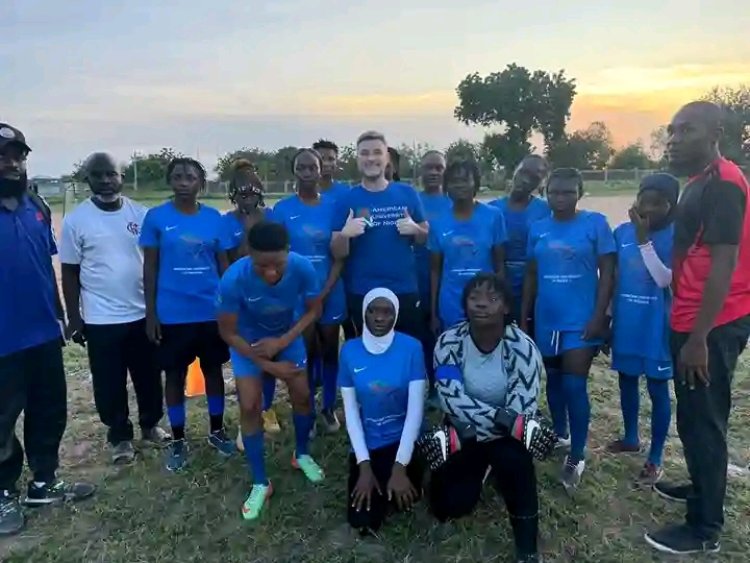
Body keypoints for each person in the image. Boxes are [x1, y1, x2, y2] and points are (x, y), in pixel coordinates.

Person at [645, 101, 750, 555]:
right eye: (671, 130)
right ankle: (700, 486)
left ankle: (704, 527)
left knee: (704, 423)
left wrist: (700, 338)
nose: (673, 139)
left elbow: (725, 262)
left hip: (712, 324)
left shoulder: (724, 184)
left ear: (715, 135)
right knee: (694, 418)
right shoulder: (699, 181)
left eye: (686, 130)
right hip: (691, 318)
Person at [0, 123, 94, 537]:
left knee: (49, 409)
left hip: (41, 333)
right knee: (1, 420)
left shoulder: (35, 204)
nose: (11, 161)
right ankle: (3, 494)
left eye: (17, 154)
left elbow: (44, 267)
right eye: (2, 154)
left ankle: (43, 482)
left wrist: (59, 317)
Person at [429, 273, 555, 563]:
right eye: (474, 298)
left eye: (492, 298)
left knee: (516, 462)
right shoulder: (448, 342)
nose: (481, 304)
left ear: (506, 307)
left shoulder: (524, 349)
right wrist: (509, 423)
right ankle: (484, 467)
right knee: (447, 507)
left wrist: (511, 425)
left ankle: (527, 549)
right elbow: (450, 399)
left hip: (491, 435)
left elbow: (520, 409)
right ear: (464, 304)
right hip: (466, 429)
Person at [59, 153, 168, 465]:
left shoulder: (141, 214)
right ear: (88, 180)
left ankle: (150, 425)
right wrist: (75, 317)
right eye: (98, 175)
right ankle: (120, 436)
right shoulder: (76, 221)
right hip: (101, 317)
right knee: (109, 381)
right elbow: (69, 272)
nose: (105, 181)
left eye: (112, 174)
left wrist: (155, 309)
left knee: (148, 375)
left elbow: (154, 262)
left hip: (141, 314)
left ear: (122, 176)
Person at [217, 221, 324, 521]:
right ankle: (261, 482)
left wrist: (283, 342)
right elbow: (228, 333)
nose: (271, 272)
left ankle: (301, 454)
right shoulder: (233, 279)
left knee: (303, 395)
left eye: (277, 264)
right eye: (261, 265)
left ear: (289, 253)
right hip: (247, 344)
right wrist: (268, 365)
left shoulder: (302, 268)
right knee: (250, 407)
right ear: (248, 254)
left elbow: (314, 310)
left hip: (286, 337)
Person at [521, 168, 615, 494]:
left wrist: (600, 316)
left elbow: (609, 272)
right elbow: (532, 275)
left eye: (568, 192)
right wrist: (524, 317)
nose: (560, 198)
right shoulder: (538, 228)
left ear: (580, 193)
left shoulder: (595, 224)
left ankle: (577, 454)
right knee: (554, 380)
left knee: (575, 386)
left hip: (581, 321)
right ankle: (559, 433)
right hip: (547, 319)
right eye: (554, 192)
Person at [139, 157, 234, 472]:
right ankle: (178, 439)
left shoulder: (214, 219)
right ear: (170, 181)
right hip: (172, 313)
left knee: (213, 373)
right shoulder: (156, 218)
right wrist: (151, 313)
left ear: (200, 184)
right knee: (175, 377)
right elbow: (150, 267)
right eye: (177, 176)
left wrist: (229, 306)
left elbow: (223, 265)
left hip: (210, 311)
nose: (183, 182)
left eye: (190, 177)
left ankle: (217, 431)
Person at [607, 173, 679, 485]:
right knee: (626, 379)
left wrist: (643, 238)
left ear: (671, 205)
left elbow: (665, 279)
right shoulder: (620, 231)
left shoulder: (677, 234)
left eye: (657, 203)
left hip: (656, 325)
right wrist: (609, 317)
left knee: (657, 388)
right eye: (642, 200)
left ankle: (656, 456)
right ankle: (631, 437)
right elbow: (614, 277)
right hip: (627, 321)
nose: (647, 208)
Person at [271, 149, 347, 434]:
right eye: (300, 167)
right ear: (295, 172)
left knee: (329, 351)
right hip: (298, 295)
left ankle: (328, 408)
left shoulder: (335, 207)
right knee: (305, 352)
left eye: (311, 167)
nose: (306, 172)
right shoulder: (282, 210)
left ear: (321, 170)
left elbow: (341, 255)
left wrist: (324, 291)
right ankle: (306, 410)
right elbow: (277, 257)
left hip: (330, 290)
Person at [339, 288, 426, 535]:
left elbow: (415, 412)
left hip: (402, 441)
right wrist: (364, 467)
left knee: (405, 500)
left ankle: (407, 473)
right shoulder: (349, 351)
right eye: (372, 311)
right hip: (369, 443)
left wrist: (399, 467)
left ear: (396, 315)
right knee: (361, 520)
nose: (379, 318)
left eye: (387, 312)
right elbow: (352, 414)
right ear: (363, 314)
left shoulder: (411, 348)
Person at [332, 131, 428, 339]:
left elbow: (426, 237)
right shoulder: (347, 198)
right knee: (367, 354)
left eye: (377, 152)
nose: (371, 158)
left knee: (405, 352)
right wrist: (345, 235)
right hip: (361, 292)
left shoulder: (407, 193)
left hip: (404, 290)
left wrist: (416, 230)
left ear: (386, 158)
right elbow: (336, 252)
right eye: (364, 153)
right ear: (357, 159)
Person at [218, 159, 279, 444]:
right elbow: (227, 264)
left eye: (252, 190)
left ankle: (267, 407)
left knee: (268, 355)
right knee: (246, 357)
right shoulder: (226, 222)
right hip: (241, 302)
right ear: (232, 193)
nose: (247, 196)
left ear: (260, 190)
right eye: (240, 192)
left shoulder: (271, 216)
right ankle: (249, 415)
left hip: (270, 297)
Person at [429, 159, 506, 332]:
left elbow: (499, 265)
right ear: (446, 186)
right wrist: (434, 312)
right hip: (450, 302)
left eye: (465, 180)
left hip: (485, 301)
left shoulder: (493, 216)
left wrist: (500, 302)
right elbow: (435, 271)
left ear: (475, 183)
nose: (460, 185)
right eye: (454, 181)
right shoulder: (438, 222)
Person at [489, 155, 550, 329]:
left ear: (541, 183)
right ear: (515, 170)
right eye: (523, 172)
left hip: (535, 283)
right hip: (500, 280)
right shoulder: (492, 209)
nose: (525, 179)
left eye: (534, 177)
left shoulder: (546, 210)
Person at [414, 151, 451, 403]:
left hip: (447, 281)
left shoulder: (453, 203)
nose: (434, 172)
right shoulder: (411, 200)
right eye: (429, 167)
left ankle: (446, 384)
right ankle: (428, 385)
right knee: (422, 336)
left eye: (439, 167)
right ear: (420, 171)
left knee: (444, 337)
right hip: (415, 280)